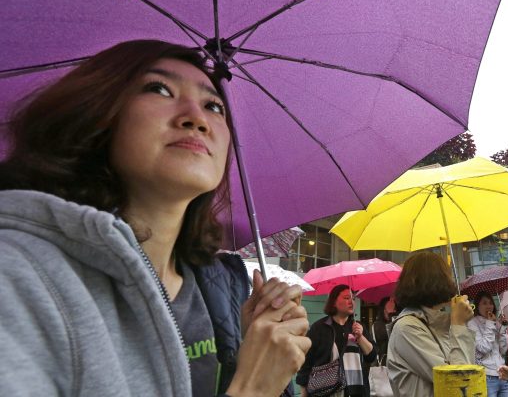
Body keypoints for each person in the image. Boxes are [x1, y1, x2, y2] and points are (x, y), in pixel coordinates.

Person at [0, 40, 311, 396]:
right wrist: (253, 388)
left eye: (214, 106)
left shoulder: (224, 288)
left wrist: (249, 353)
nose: (196, 118)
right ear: (98, 113)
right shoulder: (18, 277)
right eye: (159, 89)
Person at [387, 252, 475, 397]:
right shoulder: (408, 327)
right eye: (447, 276)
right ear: (436, 280)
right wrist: (458, 324)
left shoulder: (437, 323)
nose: (451, 282)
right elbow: (457, 381)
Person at [297, 284, 377, 397]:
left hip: (357, 390)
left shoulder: (358, 326)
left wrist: (360, 337)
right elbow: (306, 363)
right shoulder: (319, 328)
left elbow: (372, 356)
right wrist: (304, 393)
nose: (351, 301)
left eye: (353, 298)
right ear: (333, 302)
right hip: (326, 392)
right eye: (346, 298)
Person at [468, 291, 508, 397]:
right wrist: (489, 324)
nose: (489, 306)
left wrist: (503, 328)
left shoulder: (494, 322)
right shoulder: (472, 323)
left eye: (491, 303)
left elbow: (503, 349)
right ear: (477, 306)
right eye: (484, 303)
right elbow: (483, 348)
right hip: (486, 376)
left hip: (502, 374)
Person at [372, 296, 397, 365]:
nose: (394, 311)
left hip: (397, 364)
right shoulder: (377, 325)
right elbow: (389, 334)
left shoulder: (397, 322)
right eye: (390, 308)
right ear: (383, 310)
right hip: (384, 364)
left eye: (395, 309)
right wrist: (391, 314)